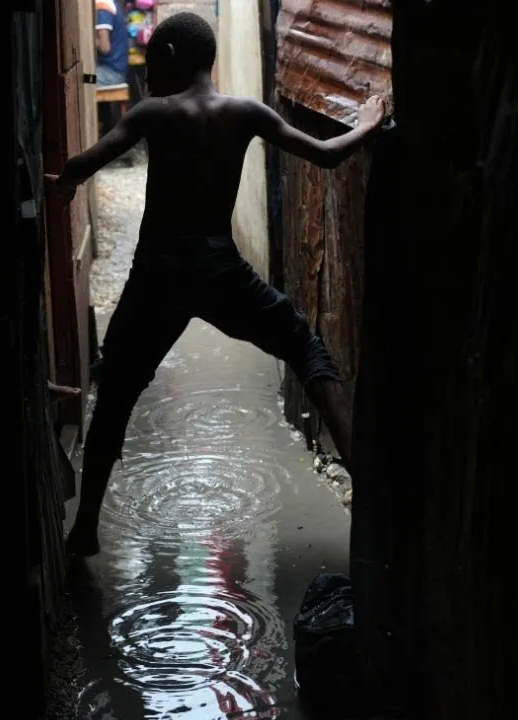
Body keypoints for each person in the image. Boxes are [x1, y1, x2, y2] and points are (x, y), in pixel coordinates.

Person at [46, 11, 387, 556]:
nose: (147, 74)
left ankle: (85, 529)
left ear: (173, 56)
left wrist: (62, 186)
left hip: (159, 274)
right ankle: (369, 487)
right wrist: (367, 123)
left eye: (153, 61)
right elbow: (328, 155)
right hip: (218, 268)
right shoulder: (245, 113)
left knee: (115, 395)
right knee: (305, 346)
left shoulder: (153, 113)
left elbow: (84, 163)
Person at [94, 1, 131, 89]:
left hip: (111, 73)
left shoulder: (102, 6)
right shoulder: (111, 3)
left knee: (81, 80)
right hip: (116, 70)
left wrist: (86, 39)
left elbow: (104, 47)